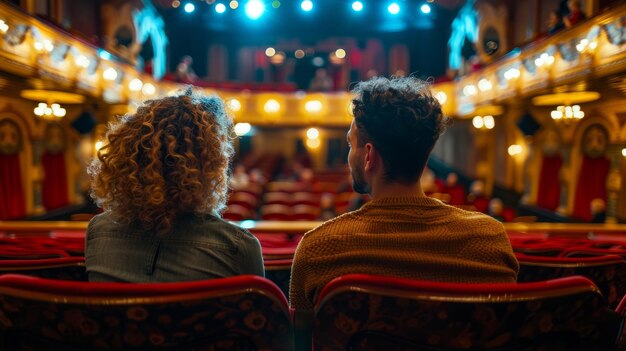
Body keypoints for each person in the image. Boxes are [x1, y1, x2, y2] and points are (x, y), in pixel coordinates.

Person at [290, 76, 519, 312]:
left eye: (351, 145)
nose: (349, 156)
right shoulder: (490, 240)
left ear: (369, 156)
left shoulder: (318, 250)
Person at [86, 88, 264, 282]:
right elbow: (256, 311)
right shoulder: (237, 246)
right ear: (211, 165)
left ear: (128, 158)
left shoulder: (98, 230)